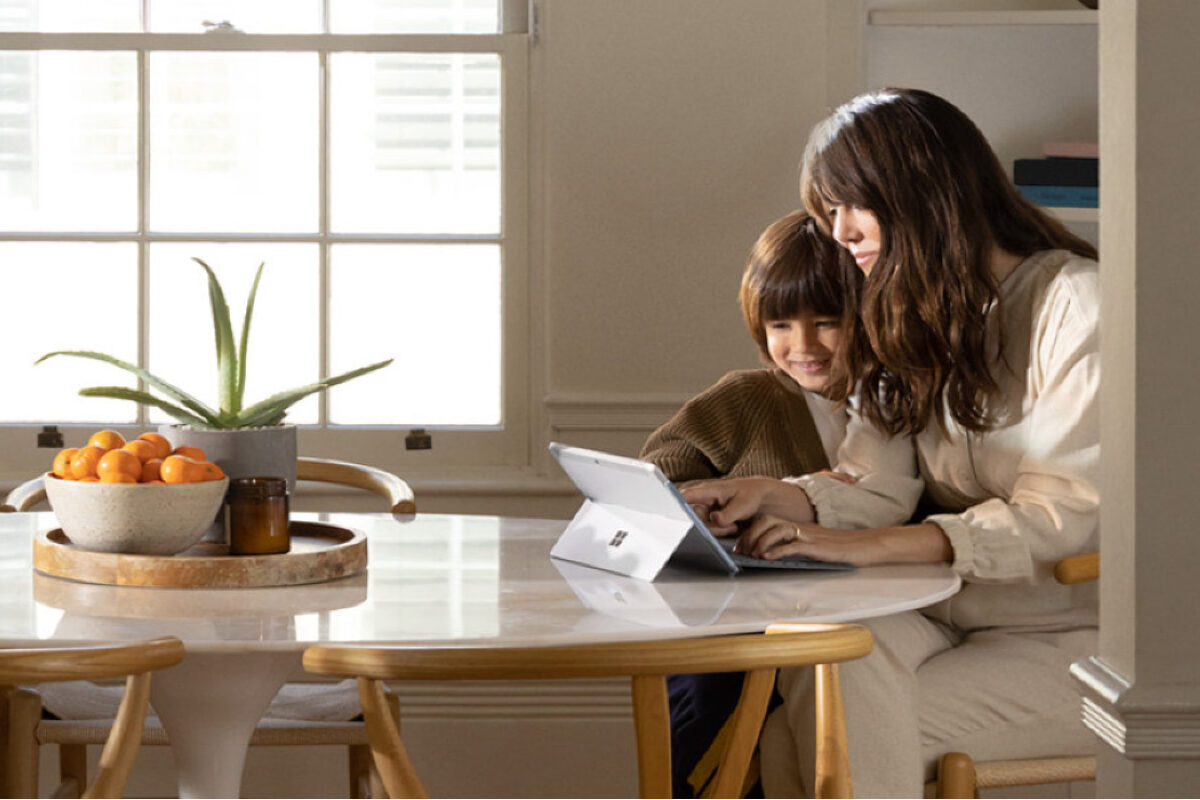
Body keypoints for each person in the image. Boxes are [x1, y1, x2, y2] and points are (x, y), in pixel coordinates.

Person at [682, 88, 1100, 798]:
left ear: (924, 192)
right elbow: (874, 483)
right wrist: (771, 496)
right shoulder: (919, 307)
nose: (840, 233)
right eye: (828, 212)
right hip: (946, 611)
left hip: (1071, 641)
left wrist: (855, 549)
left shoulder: (1077, 305)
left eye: (851, 206)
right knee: (820, 642)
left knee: (807, 739)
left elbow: (1060, 515)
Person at [640, 210, 855, 798]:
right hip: (736, 622)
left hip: (843, 620)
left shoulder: (898, 409)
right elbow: (662, 470)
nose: (802, 346)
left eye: (828, 322)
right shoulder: (746, 397)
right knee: (707, 705)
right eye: (780, 324)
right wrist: (710, 517)